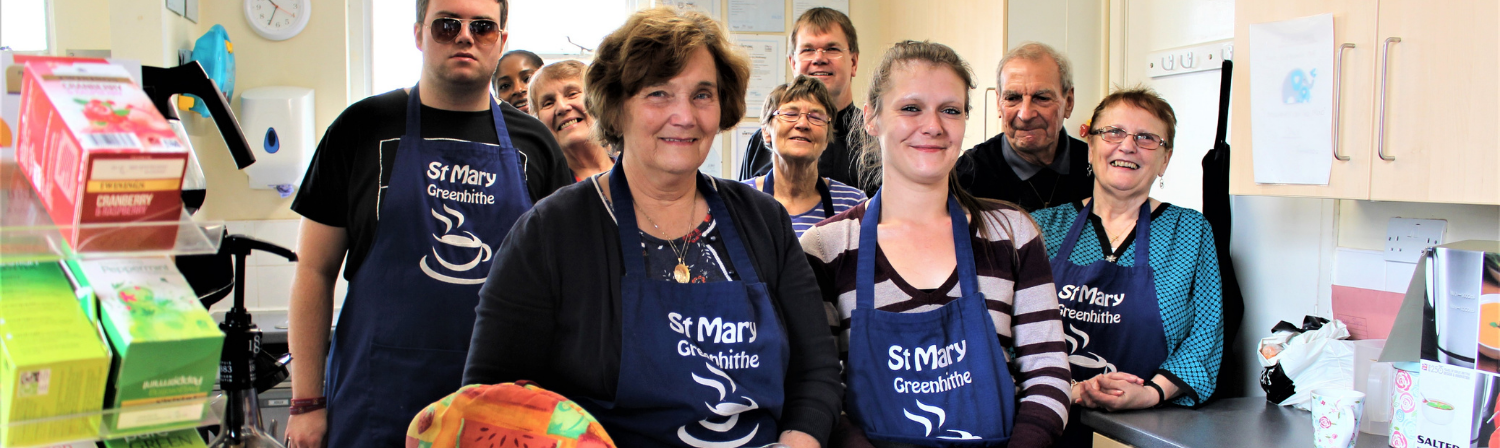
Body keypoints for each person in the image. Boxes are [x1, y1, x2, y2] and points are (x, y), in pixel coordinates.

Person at [463, 7, 842, 448]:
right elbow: (491, 402)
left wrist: (798, 442)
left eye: (703, 94)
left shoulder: (763, 220)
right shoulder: (549, 232)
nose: (684, 115)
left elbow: (815, 372)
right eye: (659, 93)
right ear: (616, 107)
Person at [284, 0, 571, 445]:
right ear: (419, 34)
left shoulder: (535, 143)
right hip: (377, 395)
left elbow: (561, 286)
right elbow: (313, 270)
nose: (465, 36)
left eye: (483, 27)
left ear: (502, 41)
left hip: (499, 404)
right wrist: (306, 401)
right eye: (446, 25)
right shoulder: (361, 127)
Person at [800, 40, 1070, 447]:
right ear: (871, 117)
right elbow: (819, 388)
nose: (933, 126)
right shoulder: (826, 247)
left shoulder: (1011, 234)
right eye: (911, 108)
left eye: (950, 110)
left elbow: (1048, 372)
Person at [1029, 87, 1223, 447]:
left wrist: (1149, 393)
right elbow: (1005, 331)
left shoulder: (1190, 231)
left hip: (1145, 430)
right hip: (1044, 421)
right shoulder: (1040, 228)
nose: (1128, 146)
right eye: (1113, 132)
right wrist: (1070, 389)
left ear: (1165, 159)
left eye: (1147, 138)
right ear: (1090, 146)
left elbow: (1206, 338)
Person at [737, 7, 874, 195]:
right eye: (808, 50)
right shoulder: (763, 140)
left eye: (832, 49)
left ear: (854, 62)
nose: (819, 58)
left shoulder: (875, 140)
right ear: (793, 63)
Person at [957, 42, 1093, 211]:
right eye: (1013, 98)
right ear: (999, 103)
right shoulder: (968, 174)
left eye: (1042, 98)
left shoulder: (1097, 168)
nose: (1025, 114)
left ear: (1069, 102)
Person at [742, 75, 866, 236]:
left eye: (816, 117)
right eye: (790, 114)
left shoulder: (853, 204)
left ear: (827, 138)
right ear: (766, 132)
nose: (802, 124)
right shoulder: (739, 200)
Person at [528, 59, 615, 182]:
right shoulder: (542, 191)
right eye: (548, 103)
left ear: (598, 100)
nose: (562, 107)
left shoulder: (637, 168)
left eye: (572, 94)